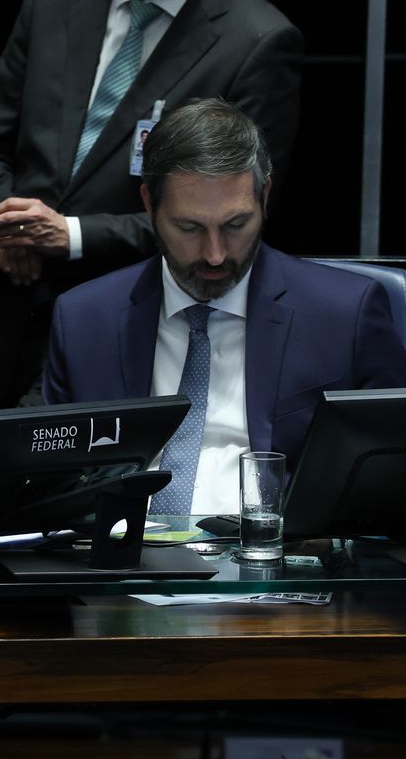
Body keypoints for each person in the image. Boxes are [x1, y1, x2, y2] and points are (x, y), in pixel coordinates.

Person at [44, 99, 406, 516]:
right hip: (124, 549)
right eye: (189, 228)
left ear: (264, 195)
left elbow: (388, 477)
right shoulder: (84, 320)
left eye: (235, 225)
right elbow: (55, 483)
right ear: (149, 204)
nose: (215, 254)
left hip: (276, 549)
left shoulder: (345, 314)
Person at [0, 0, 302, 281]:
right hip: (8, 290)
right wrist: (2, 231)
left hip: (132, 302)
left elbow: (238, 213)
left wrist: (74, 235)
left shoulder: (256, 38)